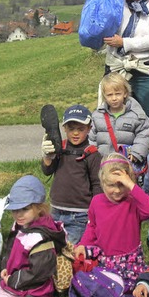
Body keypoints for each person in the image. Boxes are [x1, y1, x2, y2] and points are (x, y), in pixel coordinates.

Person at [0, 175, 66, 297]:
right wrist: (5, 268)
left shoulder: (40, 238)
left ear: (39, 208)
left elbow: (38, 273)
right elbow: (10, 250)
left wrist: (13, 281)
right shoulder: (21, 225)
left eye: (24, 209)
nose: (18, 215)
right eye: (14, 210)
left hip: (34, 290)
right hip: (17, 281)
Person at [74, 153, 149, 293]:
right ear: (102, 182)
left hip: (130, 263)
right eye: (111, 185)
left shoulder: (132, 202)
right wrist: (83, 244)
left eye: (121, 185)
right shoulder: (97, 202)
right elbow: (92, 226)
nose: (117, 190)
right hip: (105, 260)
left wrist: (131, 185)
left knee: (124, 289)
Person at [41, 104, 102, 244]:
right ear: (64, 128)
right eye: (71, 129)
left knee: (68, 248)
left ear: (89, 129)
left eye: (80, 129)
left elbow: (97, 185)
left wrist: (95, 212)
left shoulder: (92, 154)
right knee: (50, 245)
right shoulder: (59, 147)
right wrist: (47, 156)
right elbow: (47, 171)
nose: (75, 133)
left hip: (79, 215)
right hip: (55, 210)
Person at [90, 72, 149, 171]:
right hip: (103, 165)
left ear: (125, 93)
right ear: (104, 96)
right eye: (109, 95)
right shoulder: (97, 116)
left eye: (117, 94)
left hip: (126, 165)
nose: (114, 98)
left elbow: (145, 133)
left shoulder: (136, 114)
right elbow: (91, 139)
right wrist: (92, 158)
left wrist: (136, 152)